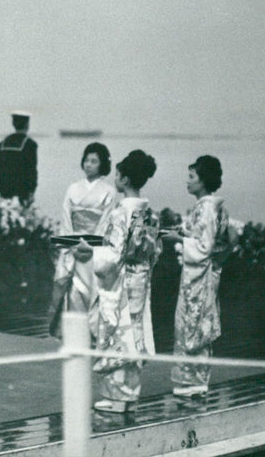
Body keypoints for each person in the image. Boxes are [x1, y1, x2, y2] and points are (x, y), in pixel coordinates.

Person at [73, 149, 160, 413]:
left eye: (118, 174)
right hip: (141, 279)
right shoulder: (150, 214)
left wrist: (90, 251)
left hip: (120, 281)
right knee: (134, 332)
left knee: (117, 335)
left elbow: (111, 257)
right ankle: (130, 393)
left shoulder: (120, 213)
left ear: (124, 178)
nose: (116, 178)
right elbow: (155, 251)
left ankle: (117, 397)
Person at [162, 156, 229, 398]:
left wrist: (179, 240)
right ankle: (191, 382)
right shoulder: (209, 206)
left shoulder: (208, 207)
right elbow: (203, 239)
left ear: (203, 181)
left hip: (199, 276)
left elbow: (204, 247)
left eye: (192, 177)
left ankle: (194, 383)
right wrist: (184, 233)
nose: (187, 182)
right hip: (197, 275)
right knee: (193, 326)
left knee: (194, 326)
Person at [52, 143, 117, 335]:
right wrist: (72, 245)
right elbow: (66, 218)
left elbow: (106, 223)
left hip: (93, 251)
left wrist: (90, 245)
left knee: (93, 294)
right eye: (87, 160)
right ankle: (74, 337)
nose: (89, 165)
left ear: (102, 165)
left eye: (94, 161)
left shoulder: (109, 191)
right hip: (74, 251)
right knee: (74, 295)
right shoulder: (73, 188)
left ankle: (94, 339)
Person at [0, 111, 38, 204]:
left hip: (4, 193)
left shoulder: (2, 143)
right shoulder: (30, 144)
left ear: (13, 123)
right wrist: (31, 192)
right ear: (27, 124)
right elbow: (31, 171)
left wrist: (0, 187)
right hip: (23, 194)